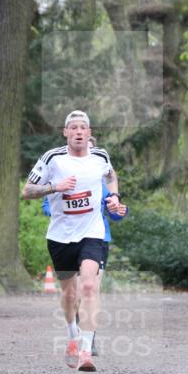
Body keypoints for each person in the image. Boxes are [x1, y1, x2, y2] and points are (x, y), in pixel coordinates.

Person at [22, 110, 126, 371]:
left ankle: (86, 351)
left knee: (89, 286)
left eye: (83, 127)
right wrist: (54, 187)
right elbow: (27, 191)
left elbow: (111, 176)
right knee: (70, 294)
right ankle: (72, 335)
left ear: (89, 133)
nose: (79, 131)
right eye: (73, 127)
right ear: (65, 132)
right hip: (60, 237)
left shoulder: (100, 156)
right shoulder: (52, 159)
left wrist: (114, 198)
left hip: (92, 232)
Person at [42, 136, 128, 356]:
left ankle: (90, 341)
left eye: (91, 150)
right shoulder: (63, 177)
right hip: (68, 238)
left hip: (98, 239)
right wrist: (65, 210)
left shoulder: (102, 183)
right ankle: (77, 333)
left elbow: (116, 213)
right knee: (75, 292)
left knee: (90, 288)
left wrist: (118, 209)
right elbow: (46, 205)